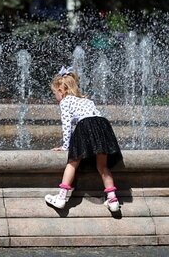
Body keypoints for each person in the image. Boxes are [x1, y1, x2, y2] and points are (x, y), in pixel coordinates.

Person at [44, 66, 123, 213]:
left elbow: (67, 125)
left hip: (85, 125)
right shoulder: (87, 100)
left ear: (61, 91)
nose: (55, 97)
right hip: (102, 125)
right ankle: (113, 200)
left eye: (55, 93)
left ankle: (61, 197)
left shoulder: (65, 101)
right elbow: (95, 117)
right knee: (102, 166)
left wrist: (65, 146)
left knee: (73, 162)